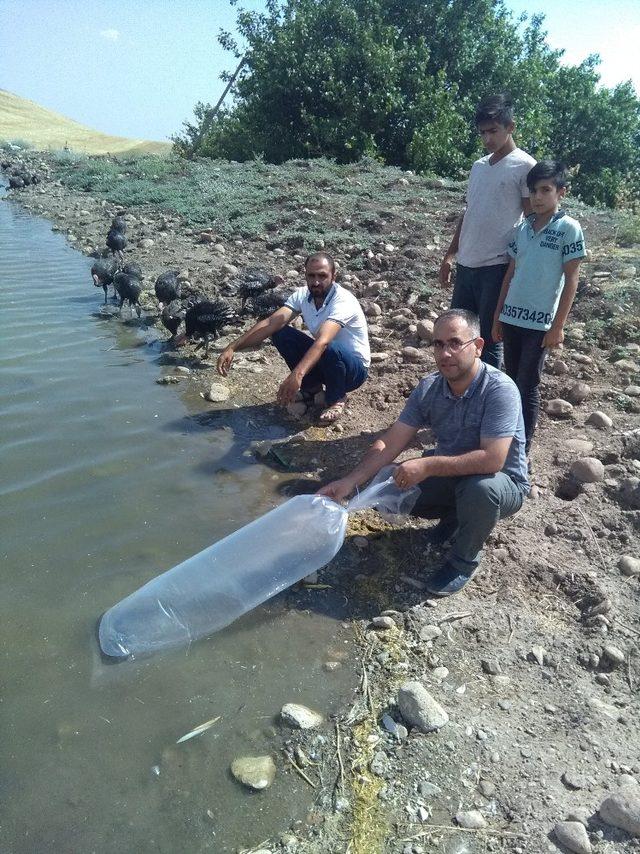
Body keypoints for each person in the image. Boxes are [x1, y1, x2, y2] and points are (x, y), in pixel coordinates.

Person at [318, 309, 529, 597]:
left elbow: (493, 459)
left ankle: (463, 562)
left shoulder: (499, 389)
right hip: (454, 476)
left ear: (478, 347)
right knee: (388, 483)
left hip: (502, 483)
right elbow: (391, 442)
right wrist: (350, 482)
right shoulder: (430, 388)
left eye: (455, 343)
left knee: (480, 489)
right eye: (439, 344)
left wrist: (427, 465)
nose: (445, 353)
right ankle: (456, 517)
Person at [492, 160, 586, 456]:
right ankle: (504, 441)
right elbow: (509, 276)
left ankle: (521, 452)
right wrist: (497, 317)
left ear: (562, 192)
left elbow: (572, 279)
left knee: (527, 385)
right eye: (533, 191)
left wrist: (558, 326)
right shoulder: (523, 228)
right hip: (511, 317)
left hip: (539, 323)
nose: (538, 196)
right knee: (510, 382)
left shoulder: (569, 228)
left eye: (545, 190)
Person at [439, 93, 536, 369]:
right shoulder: (479, 166)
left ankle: (492, 401)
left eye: (493, 131)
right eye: (482, 133)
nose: (487, 139)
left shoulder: (525, 166)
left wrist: (522, 268)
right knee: (458, 334)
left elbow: (530, 219)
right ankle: (462, 393)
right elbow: (469, 212)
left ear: (510, 127)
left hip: (496, 266)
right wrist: (449, 255)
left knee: (491, 340)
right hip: (467, 264)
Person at [217, 252, 370, 423]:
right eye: (311, 275)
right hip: (326, 361)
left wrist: (297, 375)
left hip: (353, 371)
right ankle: (312, 389)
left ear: (334, 276)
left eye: (322, 276)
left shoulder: (343, 301)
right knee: (280, 332)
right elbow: (271, 323)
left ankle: (336, 398)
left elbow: (323, 341)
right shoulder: (303, 295)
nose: (316, 282)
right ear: (305, 275)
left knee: (330, 346)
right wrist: (233, 346)